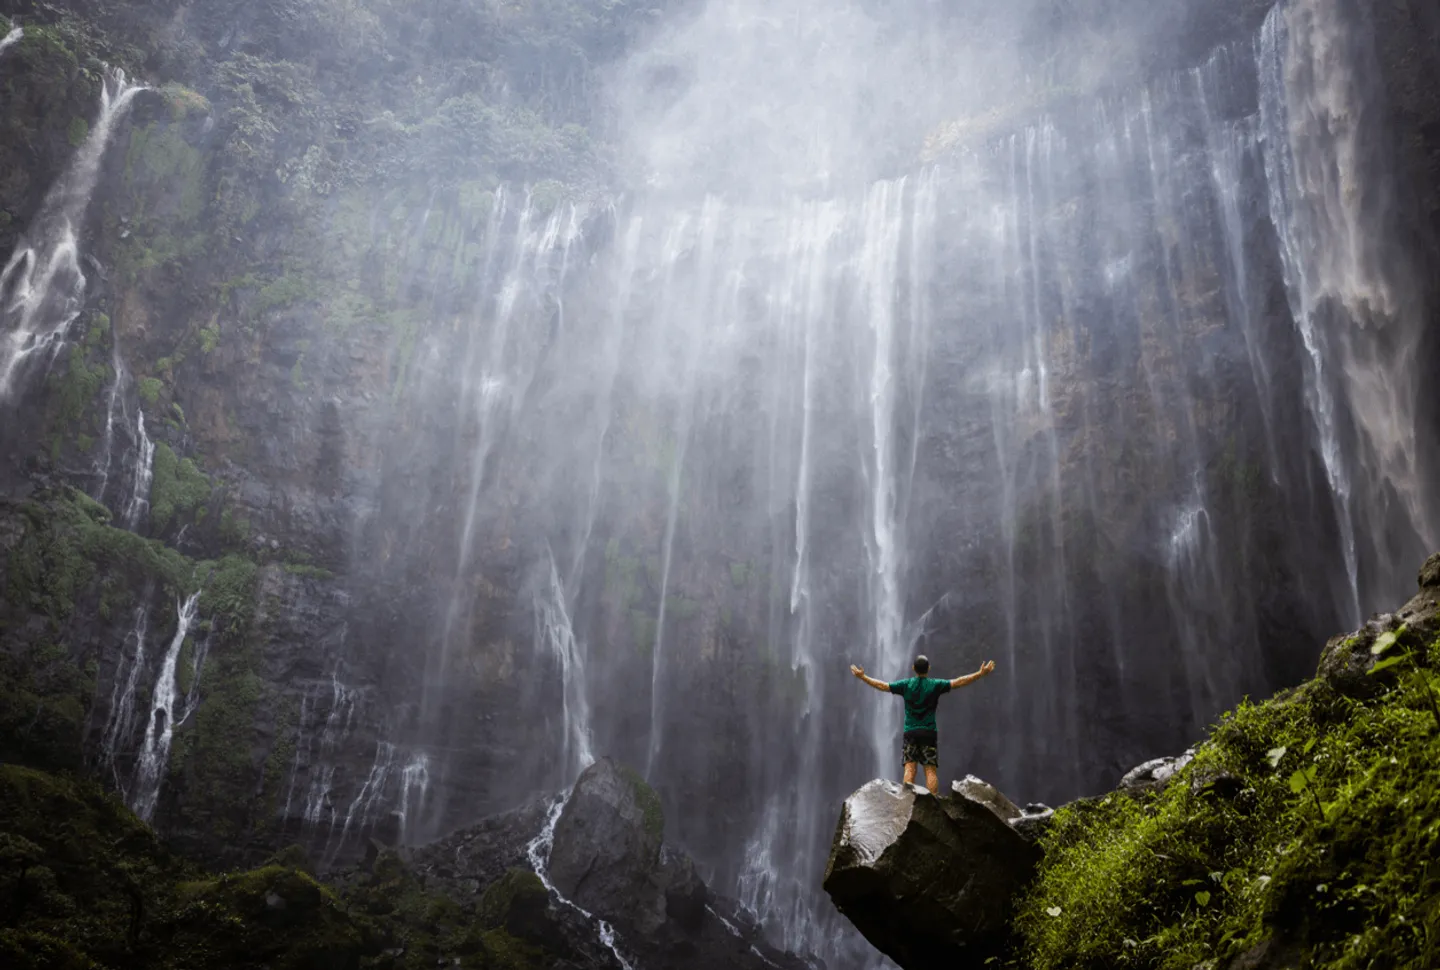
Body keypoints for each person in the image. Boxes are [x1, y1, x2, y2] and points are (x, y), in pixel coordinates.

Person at [850, 655, 996, 795]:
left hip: (910, 732)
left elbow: (883, 686)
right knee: (930, 770)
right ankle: (933, 804)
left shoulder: (905, 685)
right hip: (928, 732)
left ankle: (907, 802)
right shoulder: (935, 685)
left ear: (913, 668)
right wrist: (980, 673)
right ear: (929, 668)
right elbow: (958, 682)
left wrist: (863, 677)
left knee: (909, 768)